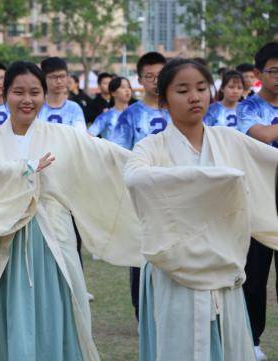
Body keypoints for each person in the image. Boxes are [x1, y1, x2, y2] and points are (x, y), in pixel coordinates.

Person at [0, 61, 142, 361]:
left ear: (44, 95)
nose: (27, 99)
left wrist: (151, 169)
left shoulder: (63, 135)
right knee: (2, 310)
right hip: (1, 239)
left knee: (53, 308)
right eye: (18, 92)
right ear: (5, 94)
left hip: (52, 241)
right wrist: (21, 170)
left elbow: (106, 157)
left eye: (34, 92)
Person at [125, 57, 278, 361]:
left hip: (222, 266)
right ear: (165, 100)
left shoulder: (229, 140)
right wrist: (208, 180)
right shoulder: (151, 147)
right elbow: (135, 177)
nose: (194, 97)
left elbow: (271, 165)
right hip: (174, 269)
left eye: (201, 88)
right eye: (182, 90)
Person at [114, 51, 170, 320]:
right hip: (141, 195)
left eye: (160, 75)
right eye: (149, 76)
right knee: (141, 255)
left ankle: (170, 308)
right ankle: (142, 312)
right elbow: (119, 153)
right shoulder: (130, 115)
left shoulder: (178, 108)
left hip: (175, 194)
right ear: (139, 80)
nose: (155, 81)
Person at [237, 41, 278, 361]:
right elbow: (262, 135)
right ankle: (252, 341)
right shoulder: (248, 106)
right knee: (255, 275)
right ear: (258, 73)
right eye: (274, 71)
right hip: (259, 197)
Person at [38, 57, 86, 131]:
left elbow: (81, 136)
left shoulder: (74, 108)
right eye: (54, 77)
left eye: (62, 76)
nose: (59, 81)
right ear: (44, 79)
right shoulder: (37, 107)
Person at [88, 76, 132, 148]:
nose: (127, 90)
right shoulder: (106, 116)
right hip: (112, 157)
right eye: (123, 87)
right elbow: (89, 136)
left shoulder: (137, 114)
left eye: (129, 87)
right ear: (113, 93)